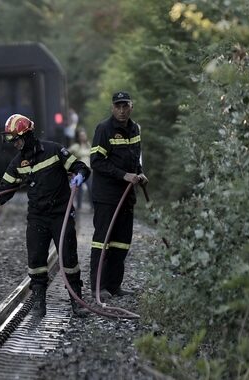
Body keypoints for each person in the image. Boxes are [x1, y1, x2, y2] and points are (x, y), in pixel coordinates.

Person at [0, 114, 92, 318]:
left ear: (29, 135)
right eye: (12, 140)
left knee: (69, 259)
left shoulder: (54, 150)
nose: (15, 144)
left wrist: (79, 176)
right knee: (36, 261)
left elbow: (80, 166)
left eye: (16, 139)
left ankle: (76, 301)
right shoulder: (17, 163)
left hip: (61, 214)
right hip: (37, 217)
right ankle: (38, 302)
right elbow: (5, 190)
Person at [89, 91, 148, 300]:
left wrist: (140, 173)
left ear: (131, 106)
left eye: (125, 106)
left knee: (122, 243)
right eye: (118, 106)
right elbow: (96, 161)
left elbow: (134, 158)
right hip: (107, 196)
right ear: (112, 108)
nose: (122, 110)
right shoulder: (104, 129)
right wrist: (124, 175)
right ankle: (98, 286)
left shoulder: (135, 129)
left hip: (126, 196)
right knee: (103, 241)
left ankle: (114, 286)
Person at [68, 127, 92, 212]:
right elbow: (67, 154)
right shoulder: (75, 146)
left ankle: (92, 207)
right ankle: (78, 207)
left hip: (88, 169)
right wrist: (72, 164)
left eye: (84, 135)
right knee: (79, 188)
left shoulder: (89, 145)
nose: (83, 137)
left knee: (90, 188)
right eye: (81, 135)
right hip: (79, 170)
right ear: (78, 137)